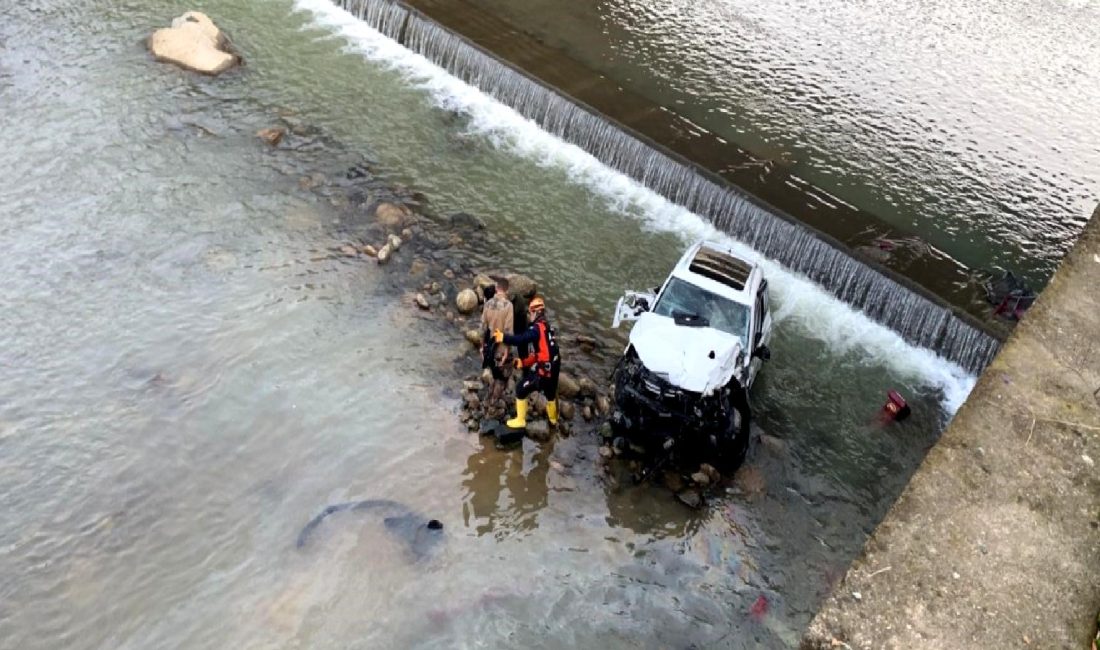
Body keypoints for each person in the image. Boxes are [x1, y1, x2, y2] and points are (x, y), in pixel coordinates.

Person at [493, 295, 560, 430]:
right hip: (554, 370)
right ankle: (553, 419)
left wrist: (503, 337)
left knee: (520, 389)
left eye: (530, 313)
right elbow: (542, 353)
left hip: (544, 373)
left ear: (535, 312)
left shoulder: (536, 329)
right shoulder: (547, 327)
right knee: (550, 394)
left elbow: (521, 339)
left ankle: (520, 420)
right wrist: (524, 363)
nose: (530, 316)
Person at [480, 278, 514, 405]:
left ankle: (488, 398)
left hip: (490, 346)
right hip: (501, 348)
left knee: (493, 371)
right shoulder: (508, 306)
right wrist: (507, 351)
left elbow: (482, 328)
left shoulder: (488, 304)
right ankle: (493, 404)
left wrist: (481, 347)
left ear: (496, 288)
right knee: (502, 377)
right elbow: (508, 331)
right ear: (507, 290)